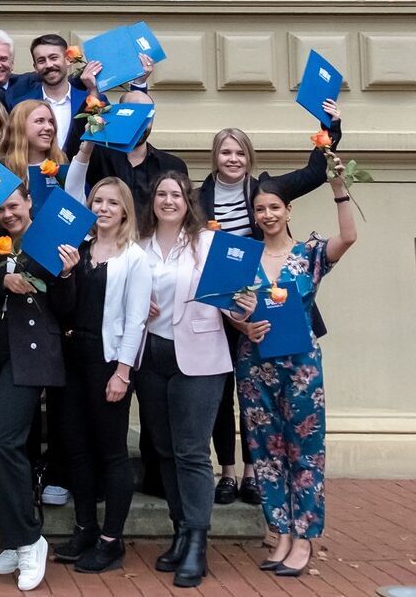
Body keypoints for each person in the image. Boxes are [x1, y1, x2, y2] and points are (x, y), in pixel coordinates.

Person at [199, 100, 344, 505]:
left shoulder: (267, 191)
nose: (233, 158)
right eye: (225, 152)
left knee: (263, 397)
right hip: (223, 307)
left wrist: (329, 123)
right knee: (223, 390)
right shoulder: (198, 199)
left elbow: (317, 170)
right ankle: (226, 471)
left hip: (274, 308)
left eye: (239, 152)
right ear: (215, 158)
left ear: (249, 157)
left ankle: (251, 472)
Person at [230, 169, 358, 576]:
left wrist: (339, 189)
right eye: (260, 209)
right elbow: (225, 304)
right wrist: (242, 325)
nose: (267, 214)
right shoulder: (243, 256)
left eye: (274, 208)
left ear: (288, 210)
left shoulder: (310, 253)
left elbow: (349, 238)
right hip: (254, 364)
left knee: (305, 449)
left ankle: (303, 537)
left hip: (301, 367)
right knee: (265, 452)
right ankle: (280, 531)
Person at [134, 171, 233, 588]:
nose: (169, 200)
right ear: (152, 201)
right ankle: (179, 531)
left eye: (176, 194)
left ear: (187, 201)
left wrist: (243, 306)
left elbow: (234, 300)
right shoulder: (138, 246)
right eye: (162, 194)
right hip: (151, 354)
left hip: (199, 356)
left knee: (192, 450)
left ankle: (197, 540)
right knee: (164, 449)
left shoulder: (210, 244)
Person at [0, 185, 78, 593]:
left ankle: (31, 539)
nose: (7, 213)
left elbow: (68, 307)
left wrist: (68, 274)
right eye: (1, 208)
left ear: (29, 202)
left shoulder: (52, 237)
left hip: (32, 354)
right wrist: (3, 279)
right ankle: (13, 539)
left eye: (13, 205)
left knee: (4, 441)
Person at [53, 177, 150, 574]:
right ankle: (85, 528)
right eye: (98, 201)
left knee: (111, 453)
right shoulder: (79, 249)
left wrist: (123, 373)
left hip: (109, 363)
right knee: (76, 447)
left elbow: (136, 318)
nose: (104, 208)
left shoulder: (134, 257)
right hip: (73, 360)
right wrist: (65, 275)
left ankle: (111, 540)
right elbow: (64, 307)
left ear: (125, 210)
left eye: (112, 202)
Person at [5, 34, 97, 150]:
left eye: (53, 58)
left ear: (68, 60)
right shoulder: (20, 104)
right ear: (35, 67)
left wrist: (93, 90)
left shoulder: (92, 99)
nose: (48, 65)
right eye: (41, 60)